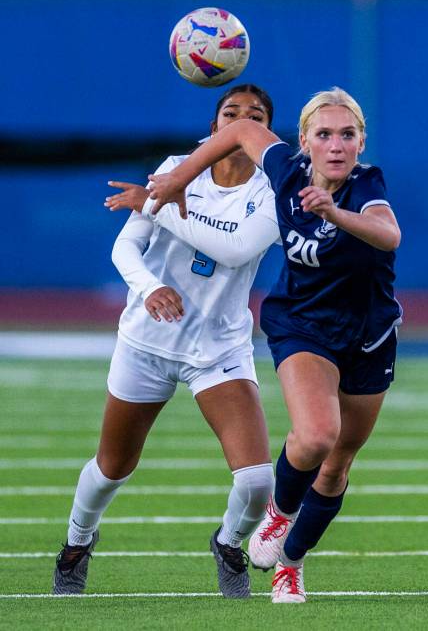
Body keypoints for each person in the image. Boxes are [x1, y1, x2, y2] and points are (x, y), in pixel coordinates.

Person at [109, 87, 402, 604]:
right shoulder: (284, 173)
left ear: (361, 144)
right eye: (324, 134)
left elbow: (387, 235)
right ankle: (278, 516)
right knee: (315, 438)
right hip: (303, 324)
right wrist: (176, 179)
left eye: (348, 135)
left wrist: (334, 213)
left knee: (336, 466)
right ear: (304, 142)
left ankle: (290, 565)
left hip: (368, 336)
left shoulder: (366, 184)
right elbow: (240, 132)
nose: (336, 145)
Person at [52, 84, 282, 599]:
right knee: (113, 467)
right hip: (146, 344)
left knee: (256, 482)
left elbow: (235, 247)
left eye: (255, 116)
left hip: (218, 351)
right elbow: (125, 248)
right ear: (213, 126)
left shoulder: (271, 188)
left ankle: (228, 544)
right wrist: (152, 285)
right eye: (231, 112)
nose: (241, 121)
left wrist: (160, 205)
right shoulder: (179, 165)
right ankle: (76, 544)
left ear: (266, 133)